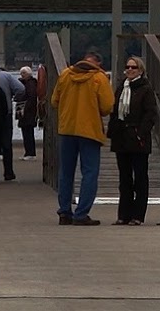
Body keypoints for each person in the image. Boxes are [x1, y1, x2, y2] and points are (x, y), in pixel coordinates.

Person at [49, 47, 114, 225]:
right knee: (90, 173)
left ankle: (64, 212)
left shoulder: (65, 75)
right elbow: (107, 107)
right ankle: (81, 213)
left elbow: (54, 100)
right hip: (89, 131)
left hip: (67, 129)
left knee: (66, 173)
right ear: (98, 63)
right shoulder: (99, 78)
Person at [108, 56, 157, 225]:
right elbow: (114, 111)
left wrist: (140, 133)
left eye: (133, 67)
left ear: (140, 70)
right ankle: (123, 215)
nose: (129, 70)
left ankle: (138, 215)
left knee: (140, 178)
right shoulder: (122, 87)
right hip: (121, 138)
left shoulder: (146, 89)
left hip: (137, 138)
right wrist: (113, 131)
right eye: (127, 67)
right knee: (124, 178)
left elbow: (151, 114)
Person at [17, 65, 39, 159]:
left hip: (28, 112)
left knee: (28, 133)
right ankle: (28, 152)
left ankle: (30, 153)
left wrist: (25, 109)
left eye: (24, 73)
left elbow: (32, 98)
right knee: (26, 132)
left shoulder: (31, 84)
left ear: (29, 74)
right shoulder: (24, 83)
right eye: (21, 73)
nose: (22, 75)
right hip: (25, 111)